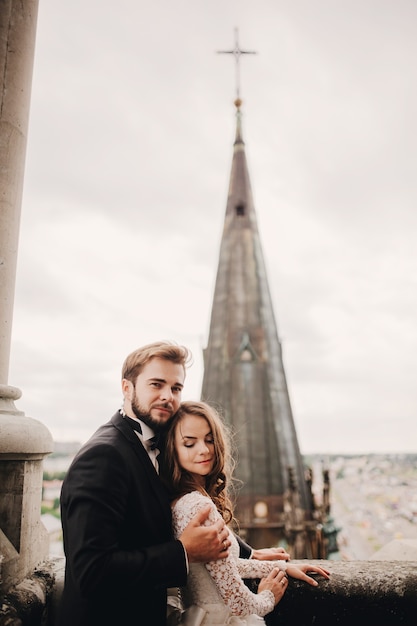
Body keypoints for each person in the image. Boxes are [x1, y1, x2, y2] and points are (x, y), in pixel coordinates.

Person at [59, 341, 233, 626]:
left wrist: (248, 552)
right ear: (127, 388)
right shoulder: (104, 456)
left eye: (176, 388)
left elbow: (183, 512)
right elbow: (91, 571)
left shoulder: (158, 443)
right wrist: (183, 552)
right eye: (156, 384)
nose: (168, 396)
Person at [162, 401, 330, 625]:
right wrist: (268, 595)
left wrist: (281, 566)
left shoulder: (178, 502)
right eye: (189, 444)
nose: (204, 449)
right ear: (173, 449)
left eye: (209, 440)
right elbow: (238, 602)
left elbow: (222, 569)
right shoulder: (198, 507)